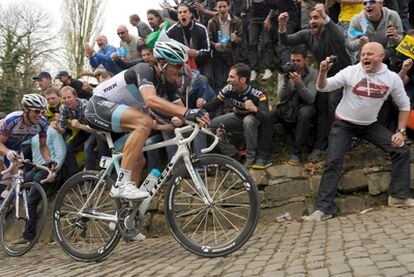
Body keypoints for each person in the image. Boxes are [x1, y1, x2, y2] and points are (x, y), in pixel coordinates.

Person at [84, 39, 210, 200]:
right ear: (163, 63)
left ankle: (126, 211)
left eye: (183, 66)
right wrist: (187, 113)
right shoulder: (145, 69)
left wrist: (198, 118)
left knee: (138, 161)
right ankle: (122, 184)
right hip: (98, 107)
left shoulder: (169, 84)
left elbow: (181, 111)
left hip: (116, 115)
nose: (181, 71)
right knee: (144, 122)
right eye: (177, 66)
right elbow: (151, 100)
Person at [302, 42, 414, 222]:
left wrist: (400, 132)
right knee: (333, 160)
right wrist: (322, 72)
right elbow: (323, 87)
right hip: (344, 123)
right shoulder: (350, 72)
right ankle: (324, 209)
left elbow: (404, 104)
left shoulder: (391, 78)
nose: (365, 58)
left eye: (370, 54)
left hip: (370, 125)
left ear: (381, 57)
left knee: (401, 150)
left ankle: (398, 197)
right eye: (363, 54)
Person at [279, 4, 351, 162]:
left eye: (316, 17)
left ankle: (336, 142)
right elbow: (286, 40)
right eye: (311, 18)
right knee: (320, 107)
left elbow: (339, 36)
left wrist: (324, 15)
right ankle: (319, 145)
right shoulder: (307, 34)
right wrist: (282, 25)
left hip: (343, 75)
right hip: (324, 74)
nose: (313, 21)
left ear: (324, 19)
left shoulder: (332, 31)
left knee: (333, 104)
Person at [198, 63, 273, 169]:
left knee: (248, 121)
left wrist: (255, 109)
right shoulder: (229, 89)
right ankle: (232, 155)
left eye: (232, 77)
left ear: (242, 80)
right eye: (229, 76)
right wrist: (204, 104)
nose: (228, 80)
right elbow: (214, 105)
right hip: (237, 116)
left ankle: (250, 159)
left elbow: (267, 117)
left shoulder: (257, 93)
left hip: (255, 118)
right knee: (213, 124)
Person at [13, 124, 66, 244]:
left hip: (48, 169)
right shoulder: (34, 132)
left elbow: (61, 153)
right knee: (20, 184)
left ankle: (28, 235)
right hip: (36, 167)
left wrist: (53, 173)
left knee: (31, 200)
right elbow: (23, 141)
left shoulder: (51, 131)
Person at [267, 46, 317, 165]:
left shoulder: (313, 73)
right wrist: (285, 81)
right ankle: (264, 154)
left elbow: (311, 98)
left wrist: (299, 83)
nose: (295, 64)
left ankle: (296, 153)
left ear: (306, 60)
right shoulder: (285, 71)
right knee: (268, 116)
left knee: (305, 113)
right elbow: (281, 97)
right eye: (293, 60)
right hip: (288, 106)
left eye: (298, 61)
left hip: (304, 106)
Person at [0, 94, 56, 183]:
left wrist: (49, 162)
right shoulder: (13, 119)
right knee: (1, 173)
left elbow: (43, 146)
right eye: (37, 111)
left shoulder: (42, 123)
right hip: (2, 145)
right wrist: (7, 152)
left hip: (16, 147)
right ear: (26, 109)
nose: (40, 115)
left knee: (16, 180)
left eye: (43, 112)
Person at [52, 86, 97, 175]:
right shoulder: (63, 108)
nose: (67, 100)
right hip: (82, 130)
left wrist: (80, 126)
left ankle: (90, 176)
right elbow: (62, 130)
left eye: (69, 97)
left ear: (75, 97)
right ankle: (75, 176)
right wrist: (57, 128)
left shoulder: (85, 105)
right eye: (64, 98)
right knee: (68, 148)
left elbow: (95, 129)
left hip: (94, 130)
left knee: (87, 147)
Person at [166, 4, 212, 80]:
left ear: (190, 14)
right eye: (180, 12)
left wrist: (198, 53)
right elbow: (165, 44)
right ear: (177, 15)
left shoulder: (201, 28)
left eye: (185, 12)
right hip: (183, 63)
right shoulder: (172, 30)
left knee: (207, 78)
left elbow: (208, 49)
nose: (182, 14)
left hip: (203, 60)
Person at [207, 0, 243, 90]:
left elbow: (241, 40)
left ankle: (229, 100)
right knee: (218, 80)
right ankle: (220, 100)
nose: (222, 9)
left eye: (224, 6)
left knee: (229, 80)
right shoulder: (211, 22)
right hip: (217, 54)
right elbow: (208, 40)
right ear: (216, 8)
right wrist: (214, 45)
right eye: (219, 7)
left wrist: (235, 39)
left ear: (228, 7)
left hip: (231, 53)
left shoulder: (237, 21)